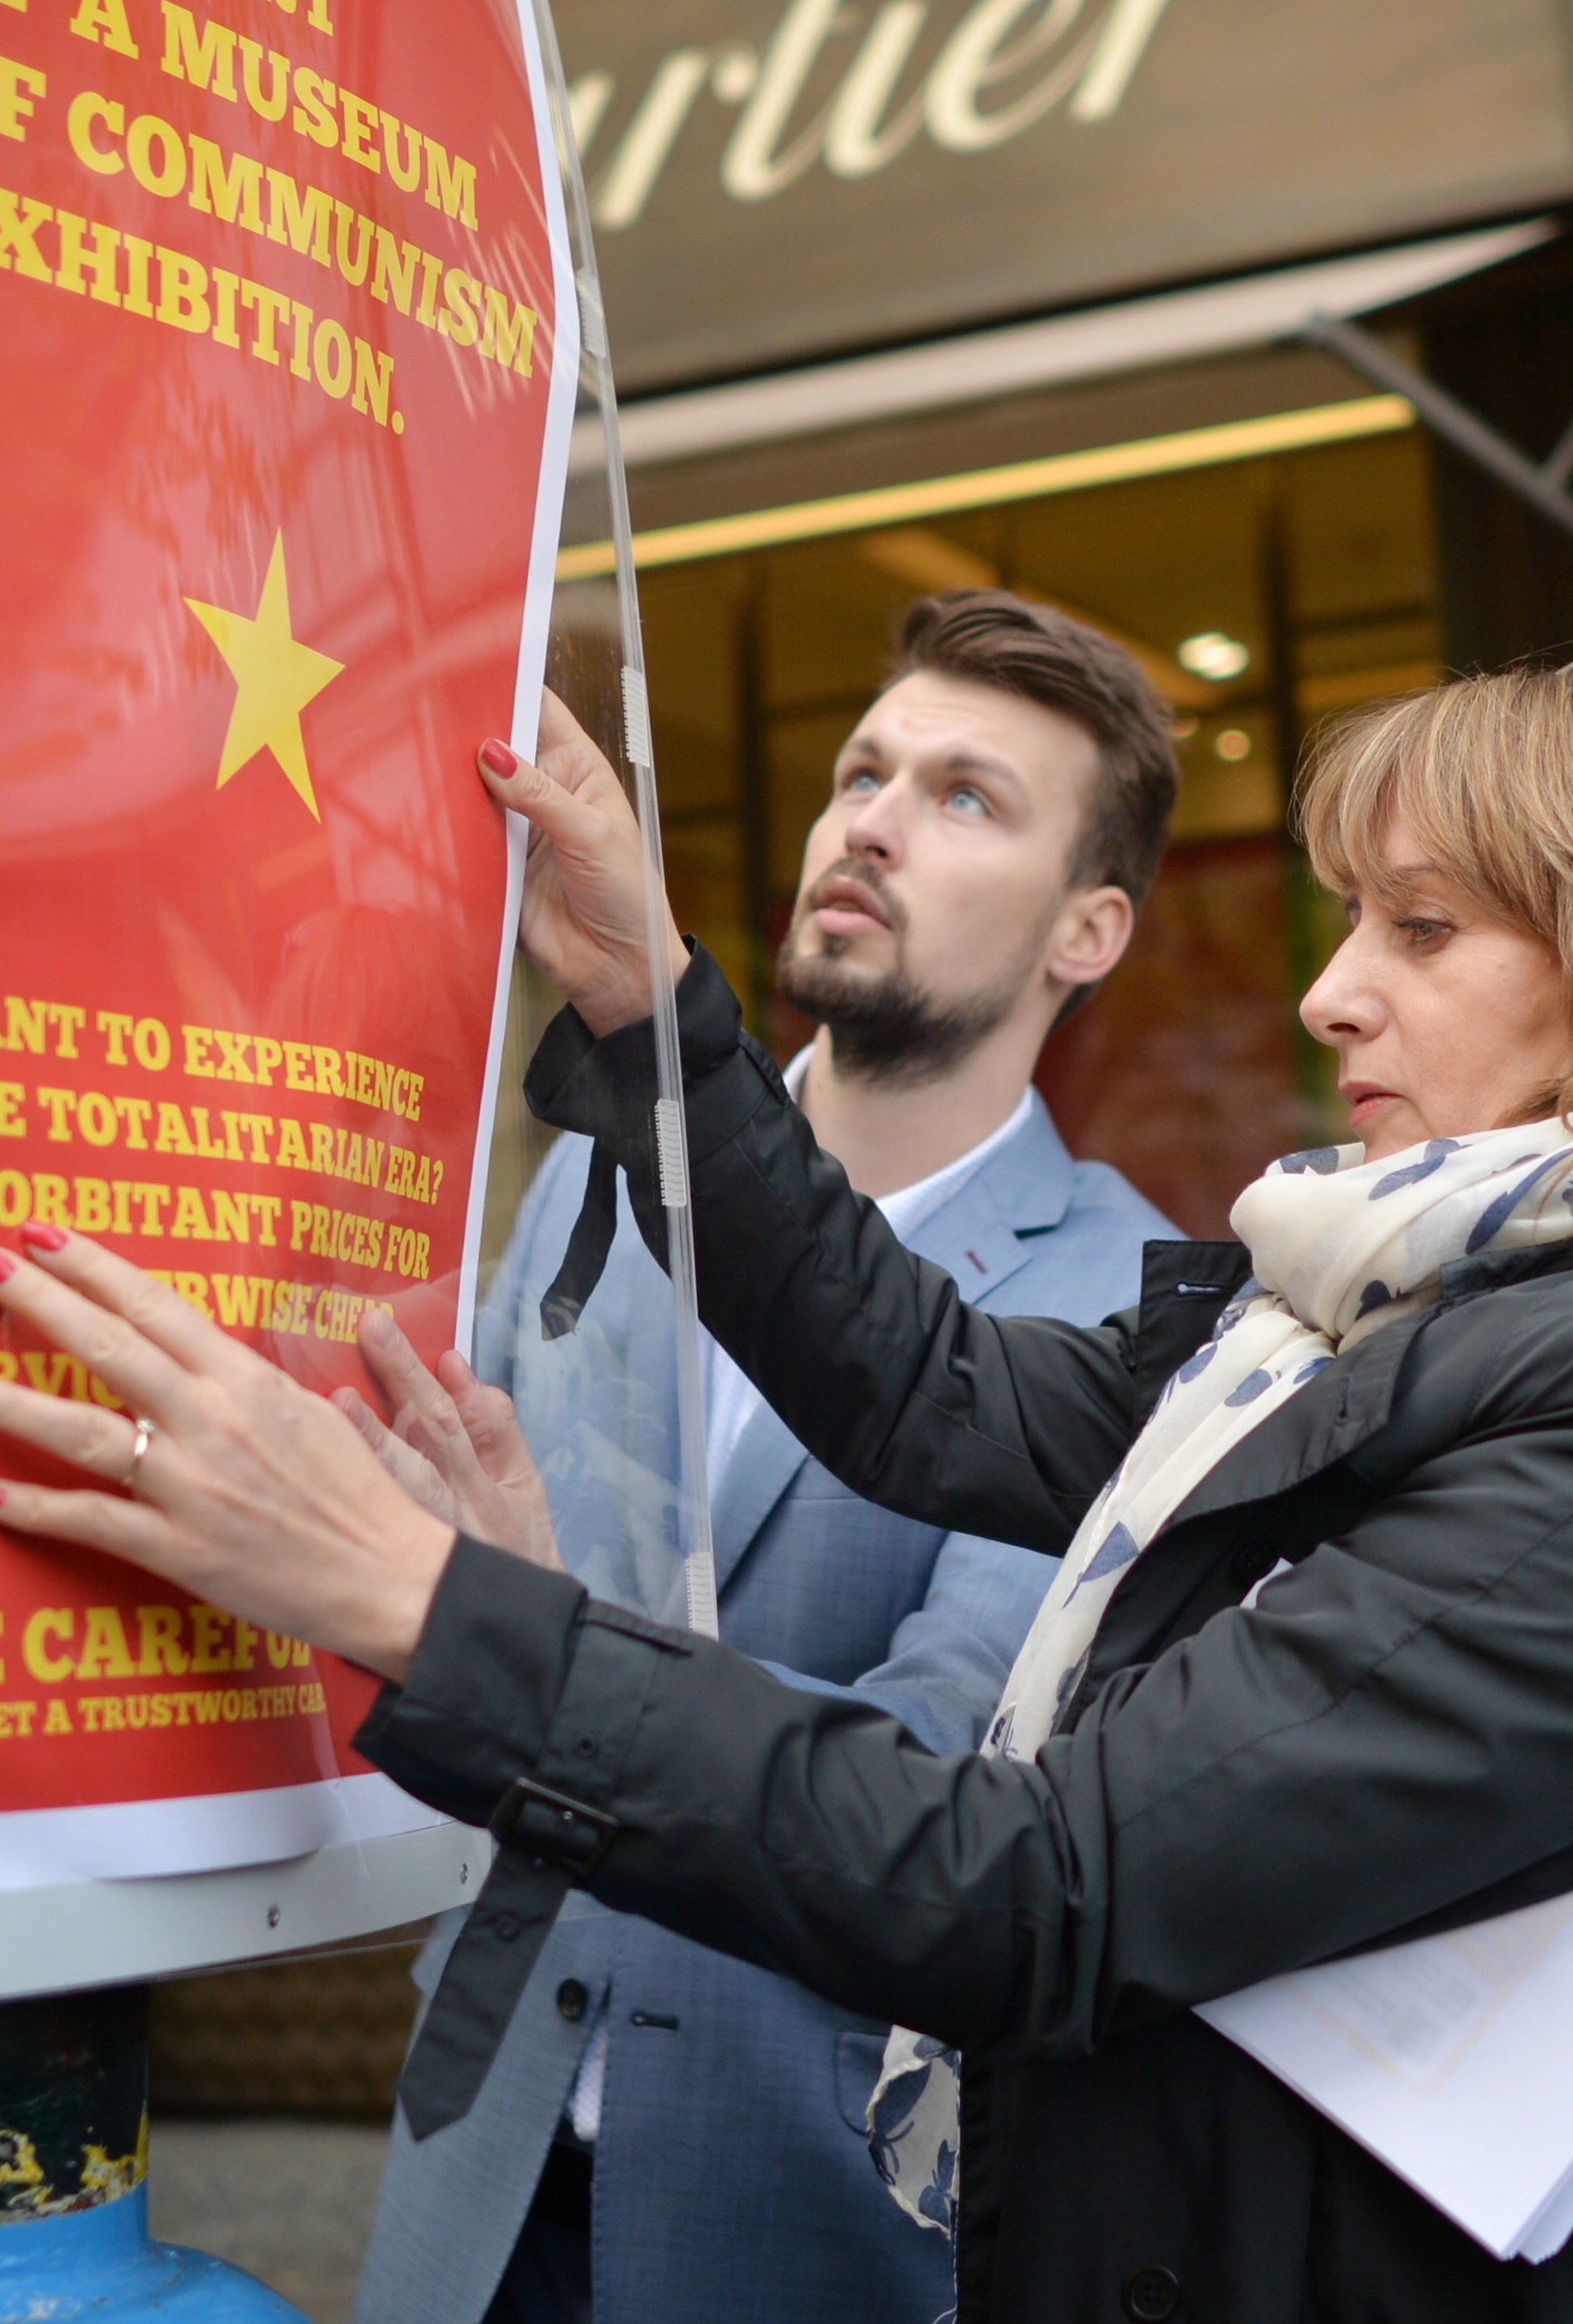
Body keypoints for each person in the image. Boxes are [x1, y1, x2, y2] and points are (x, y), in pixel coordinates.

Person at [0, 653, 1573, 2324]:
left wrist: (414, 1596)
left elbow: (1037, 1887)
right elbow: (931, 1389)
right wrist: (650, 1014)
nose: (1332, 990)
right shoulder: (1355, 1314)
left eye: (1418, 930)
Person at [348, 591, 1184, 2324]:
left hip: (796, 2200)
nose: (870, 819)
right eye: (864, 769)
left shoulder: (1120, 1305)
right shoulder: (593, 1171)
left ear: (1087, 930)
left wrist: (537, 1637)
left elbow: (950, 1752)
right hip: (480, 2149)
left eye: (967, 797)